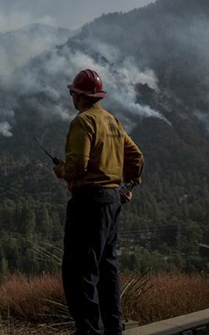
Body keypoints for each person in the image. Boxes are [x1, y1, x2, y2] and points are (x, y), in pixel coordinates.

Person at [53, 69, 144, 335]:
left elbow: (78, 166)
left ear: (79, 96)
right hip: (112, 201)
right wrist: (129, 185)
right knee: (107, 267)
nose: (72, 97)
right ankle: (113, 328)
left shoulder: (83, 121)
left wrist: (61, 171)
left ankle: (89, 330)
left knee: (79, 270)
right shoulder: (112, 120)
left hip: (88, 202)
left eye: (72, 93)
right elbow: (137, 157)